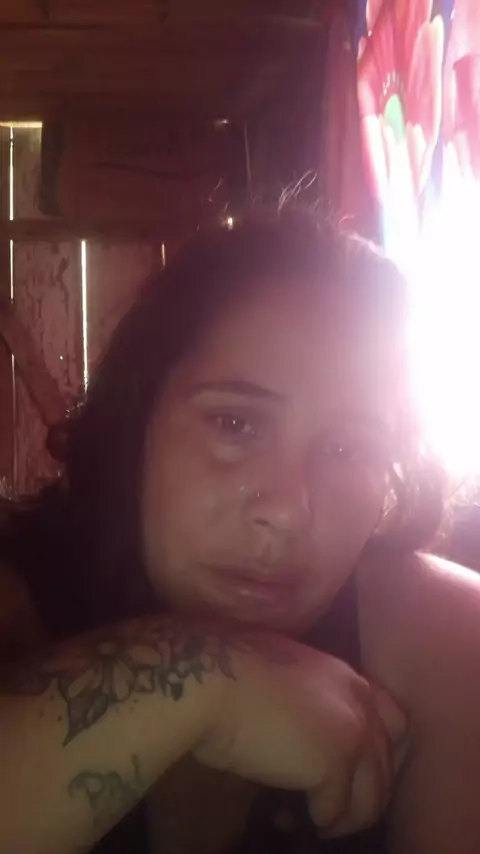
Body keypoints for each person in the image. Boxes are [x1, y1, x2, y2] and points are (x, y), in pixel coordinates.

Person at [0, 206, 480, 854]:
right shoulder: (16, 595)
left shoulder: (440, 634)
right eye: (235, 424)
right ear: (138, 417)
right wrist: (204, 680)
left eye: (348, 449)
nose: (286, 510)